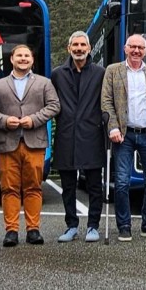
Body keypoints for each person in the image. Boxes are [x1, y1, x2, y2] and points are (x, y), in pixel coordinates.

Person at [101, 34, 146, 241]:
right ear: (125, 48)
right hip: (124, 134)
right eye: (133, 47)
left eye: (141, 48)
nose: (136, 51)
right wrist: (112, 127)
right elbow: (106, 102)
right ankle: (124, 226)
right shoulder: (113, 71)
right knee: (122, 183)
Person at [0, 44, 60, 247]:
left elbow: (54, 106)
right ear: (11, 59)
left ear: (31, 59)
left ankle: (33, 230)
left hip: (34, 142)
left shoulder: (44, 83)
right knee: (9, 188)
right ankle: (11, 231)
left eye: (26, 55)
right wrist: (4, 121)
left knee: (33, 187)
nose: (23, 58)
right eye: (19, 55)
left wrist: (34, 119)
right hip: (7, 142)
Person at [51, 31, 107, 243]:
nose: (79, 48)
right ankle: (71, 225)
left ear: (89, 48)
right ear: (69, 48)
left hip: (92, 136)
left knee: (94, 186)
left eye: (83, 45)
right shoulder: (57, 74)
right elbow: (52, 103)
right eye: (75, 45)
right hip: (66, 136)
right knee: (68, 187)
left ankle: (93, 226)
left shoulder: (100, 73)